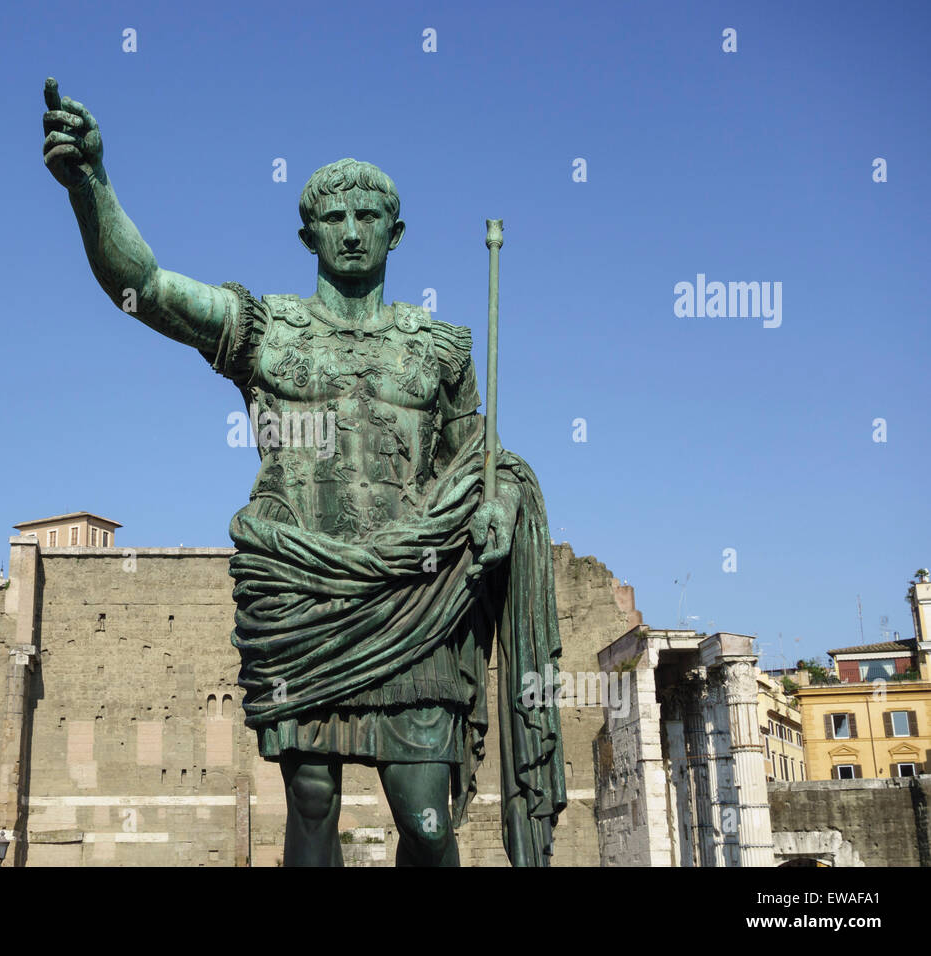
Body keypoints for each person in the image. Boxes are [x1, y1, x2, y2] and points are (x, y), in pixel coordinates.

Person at [42, 79, 565, 866]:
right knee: (312, 800)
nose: (351, 231)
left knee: (426, 814)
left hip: (413, 598)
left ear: (397, 233)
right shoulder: (266, 332)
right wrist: (92, 186)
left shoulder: (442, 348)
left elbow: (477, 466)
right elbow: (143, 289)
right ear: (307, 233)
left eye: (368, 218)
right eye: (334, 217)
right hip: (301, 600)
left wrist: (497, 512)